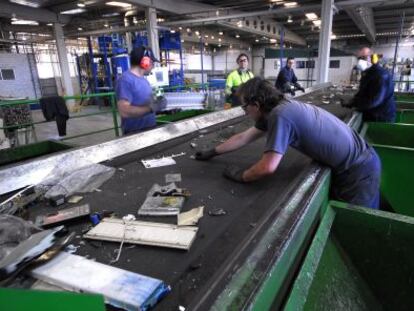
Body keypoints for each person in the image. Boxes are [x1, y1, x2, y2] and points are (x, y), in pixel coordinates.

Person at [195, 77, 381, 209]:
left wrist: (242, 176)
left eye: (245, 106)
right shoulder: (281, 107)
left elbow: (268, 167)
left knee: (351, 227)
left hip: (358, 172)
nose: (244, 112)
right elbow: (244, 137)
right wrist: (213, 151)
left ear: (257, 105)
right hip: (362, 161)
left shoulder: (280, 115)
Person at [115, 46, 166, 135]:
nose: (153, 66)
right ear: (145, 62)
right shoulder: (125, 80)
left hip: (149, 129)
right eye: (152, 62)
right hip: (135, 134)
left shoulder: (144, 80)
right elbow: (124, 111)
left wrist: (157, 101)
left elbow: (144, 101)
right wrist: (151, 108)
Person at [344, 47, 396, 122]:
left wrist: (357, 106)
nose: (360, 60)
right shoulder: (367, 73)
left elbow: (374, 101)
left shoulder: (380, 75)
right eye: (359, 58)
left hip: (380, 118)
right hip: (371, 113)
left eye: (363, 57)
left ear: (372, 58)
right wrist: (352, 102)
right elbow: (362, 92)